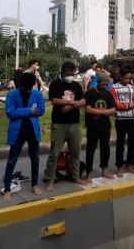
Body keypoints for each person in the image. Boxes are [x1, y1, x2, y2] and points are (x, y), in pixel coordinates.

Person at [43, 62, 87, 192]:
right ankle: (50, 179)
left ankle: (75, 176)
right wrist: (73, 103)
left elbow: (83, 101)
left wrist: (70, 106)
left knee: (75, 153)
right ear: (63, 72)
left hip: (74, 124)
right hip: (59, 124)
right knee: (54, 153)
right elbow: (55, 100)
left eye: (72, 73)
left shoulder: (76, 85)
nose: (70, 75)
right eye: (68, 73)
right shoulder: (56, 84)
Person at [2, 72, 46, 200]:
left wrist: (21, 112)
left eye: (30, 87)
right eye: (25, 87)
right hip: (17, 131)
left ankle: (35, 184)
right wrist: (29, 111)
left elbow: (41, 110)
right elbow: (9, 113)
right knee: (11, 160)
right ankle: (7, 189)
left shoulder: (37, 94)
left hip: (32, 130)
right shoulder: (12, 95)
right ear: (20, 84)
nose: (27, 90)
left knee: (35, 159)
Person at [84, 73, 116, 181]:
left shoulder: (108, 94)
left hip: (105, 126)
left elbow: (113, 109)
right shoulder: (90, 93)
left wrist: (101, 112)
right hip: (93, 126)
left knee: (105, 149)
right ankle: (88, 173)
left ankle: (104, 170)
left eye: (106, 84)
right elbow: (88, 109)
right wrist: (104, 112)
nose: (105, 86)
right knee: (90, 150)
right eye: (103, 84)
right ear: (98, 83)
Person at [110, 67, 134, 175]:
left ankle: (129, 165)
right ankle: (120, 166)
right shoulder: (114, 88)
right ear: (120, 76)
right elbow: (115, 103)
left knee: (132, 142)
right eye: (126, 78)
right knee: (120, 143)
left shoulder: (131, 87)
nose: (127, 80)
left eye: (129, 78)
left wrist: (129, 105)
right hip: (121, 119)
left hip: (132, 118)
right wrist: (128, 106)